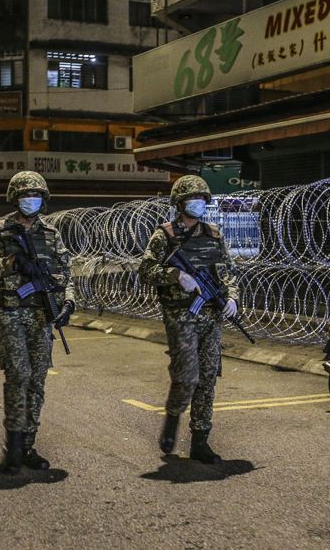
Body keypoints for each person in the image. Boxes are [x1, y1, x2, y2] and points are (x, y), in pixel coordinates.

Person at [0, 171, 75, 474]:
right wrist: (12, 262)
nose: (30, 200)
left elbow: (66, 272)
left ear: (43, 199)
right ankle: (14, 445)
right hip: (10, 313)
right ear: (14, 198)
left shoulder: (50, 233)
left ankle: (28, 444)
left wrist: (68, 301)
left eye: (35, 195)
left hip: (41, 316)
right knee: (18, 375)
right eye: (24, 195)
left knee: (37, 381)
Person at [138, 175, 240, 464]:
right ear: (180, 203)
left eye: (201, 199)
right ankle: (173, 415)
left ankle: (200, 440)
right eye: (191, 199)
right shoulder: (165, 235)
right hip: (181, 315)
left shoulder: (214, 234)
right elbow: (145, 270)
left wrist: (232, 297)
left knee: (207, 378)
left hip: (211, 315)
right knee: (187, 377)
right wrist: (176, 275)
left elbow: (228, 271)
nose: (198, 204)